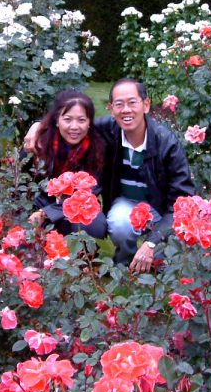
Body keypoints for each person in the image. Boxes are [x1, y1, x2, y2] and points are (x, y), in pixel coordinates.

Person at [24, 79, 194, 272]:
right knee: (119, 222)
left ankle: (149, 258)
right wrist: (37, 125)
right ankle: (124, 263)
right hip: (127, 205)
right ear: (111, 109)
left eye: (132, 102)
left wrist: (152, 243)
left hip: (160, 207)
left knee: (165, 266)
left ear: (146, 105)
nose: (126, 110)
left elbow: (182, 201)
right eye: (119, 105)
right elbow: (73, 119)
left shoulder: (166, 144)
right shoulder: (108, 130)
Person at [27, 90, 108, 238]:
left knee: (95, 225)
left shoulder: (98, 150)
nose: (74, 126)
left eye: (82, 120)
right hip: (37, 206)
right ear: (57, 120)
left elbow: (90, 192)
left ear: (90, 122)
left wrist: (46, 213)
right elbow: (21, 185)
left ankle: (81, 251)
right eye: (68, 119)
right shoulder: (37, 144)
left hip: (75, 207)